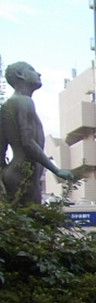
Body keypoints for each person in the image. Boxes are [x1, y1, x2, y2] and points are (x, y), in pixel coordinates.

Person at [0, 62, 75, 204]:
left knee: (19, 220)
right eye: (32, 70)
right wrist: (56, 170)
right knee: (30, 217)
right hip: (24, 172)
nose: (38, 74)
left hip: (12, 172)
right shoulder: (24, 102)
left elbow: (1, 149)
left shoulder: (7, 106)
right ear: (20, 74)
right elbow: (27, 141)